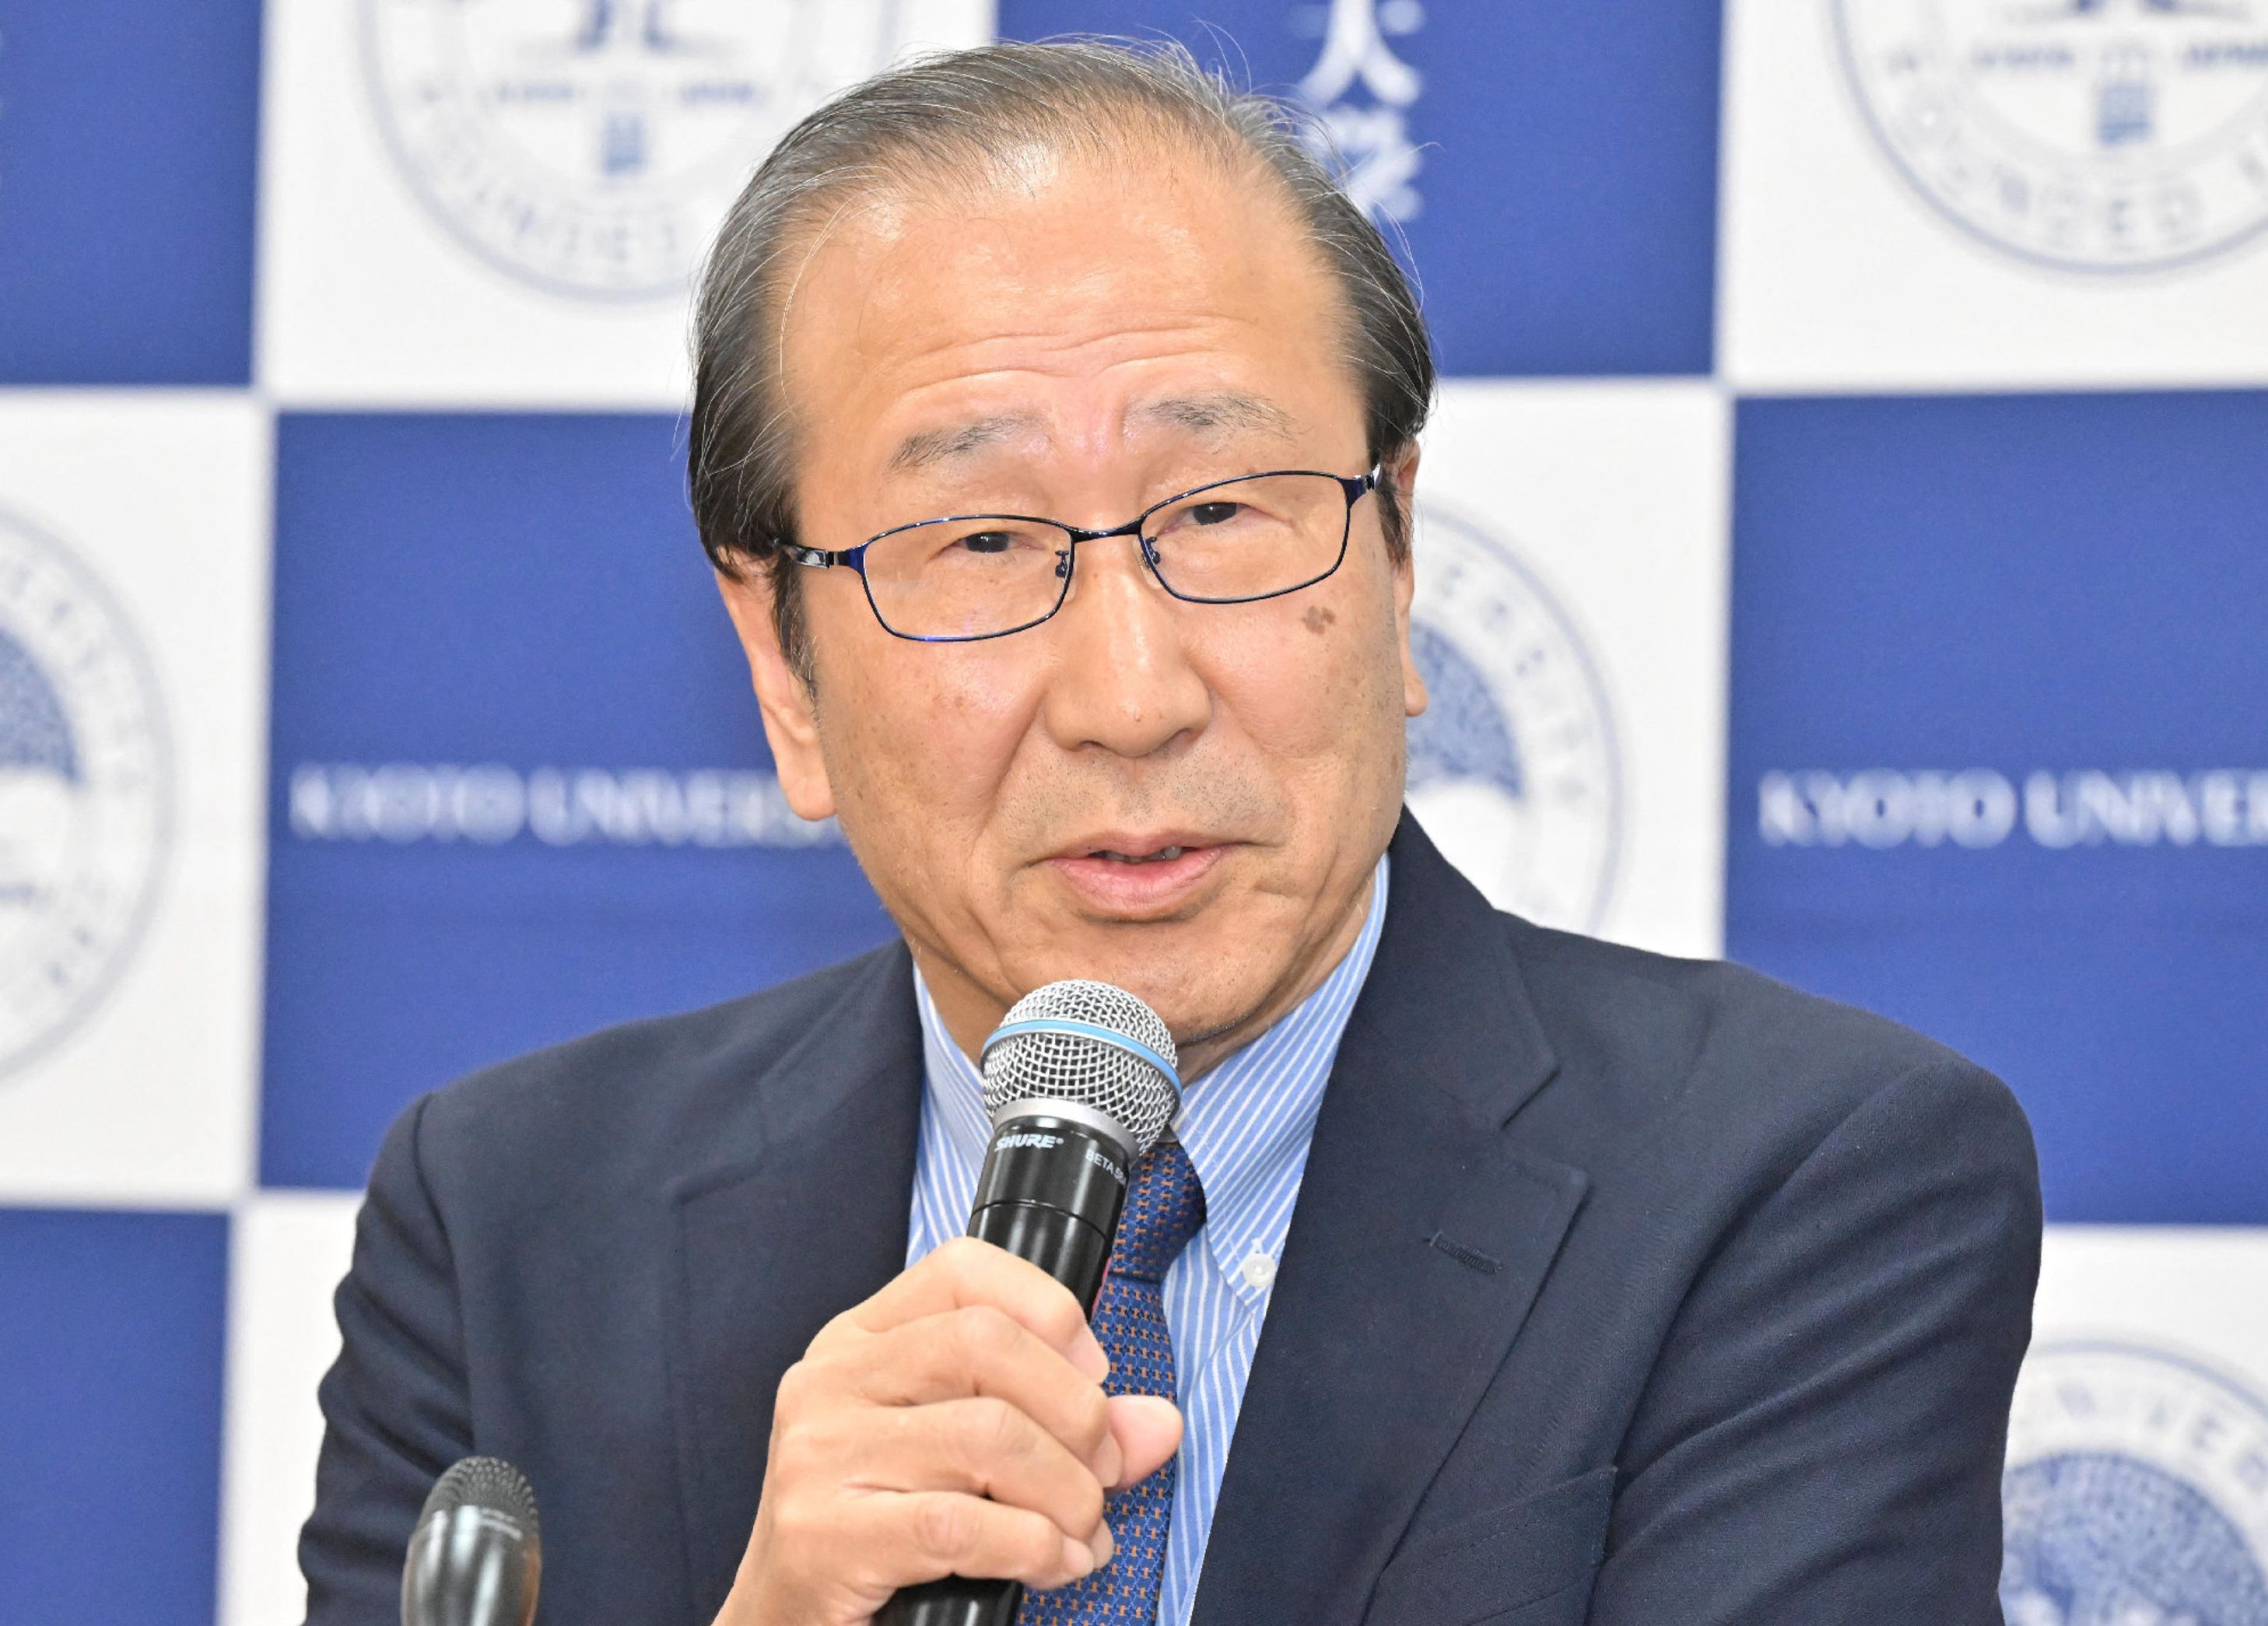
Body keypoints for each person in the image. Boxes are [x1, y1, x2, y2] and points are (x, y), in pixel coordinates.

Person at [300, 39, 2042, 1626]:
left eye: (1217, 512)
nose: (1129, 697)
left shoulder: (1797, 1185)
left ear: (1396, 557)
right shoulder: (510, 1224)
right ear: (781, 663)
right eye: (981, 541)